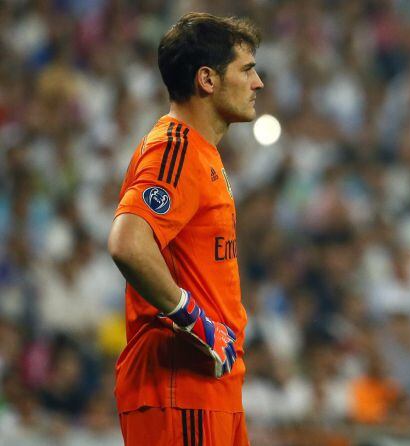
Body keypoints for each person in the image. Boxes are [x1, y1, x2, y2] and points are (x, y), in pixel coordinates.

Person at [107, 12, 263, 445]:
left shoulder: (203, 153)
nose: (258, 83)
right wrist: (193, 320)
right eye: (246, 70)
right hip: (180, 384)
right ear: (207, 80)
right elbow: (128, 243)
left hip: (212, 386)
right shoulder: (174, 149)